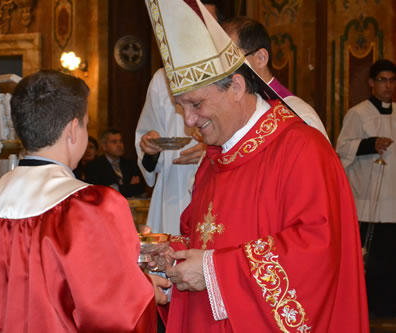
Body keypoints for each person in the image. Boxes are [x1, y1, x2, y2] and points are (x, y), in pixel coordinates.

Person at [143, 0, 369, 332]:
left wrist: (212, 271)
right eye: (180, 106)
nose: (189, 120)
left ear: (236, 87)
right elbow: (202, 235)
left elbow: (320, 252)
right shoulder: (214, 158)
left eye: (196, 104)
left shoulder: (302, 150)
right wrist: (172, 255)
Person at [0, 70, 169, 332]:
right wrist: (145, 288)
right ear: (72, 129)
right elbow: (113, 315)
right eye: (86, 123)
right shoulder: (90, 206)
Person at [336, 59, 396, 318]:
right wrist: (371, 144)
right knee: (368, 262)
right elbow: (341, 148)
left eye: (392, 80)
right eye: (382, 80)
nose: (388, 86)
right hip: (366, 201)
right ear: (371, 83)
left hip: (392, 202)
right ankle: (365, 311)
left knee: (390, 261)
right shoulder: (358, 113)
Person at [222, 16, 330, 140]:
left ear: (261, 58)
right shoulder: (231, 112)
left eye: (230, 60)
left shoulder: (298, 115)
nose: (223, 71)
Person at [135, 69, 205, 235]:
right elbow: (147, 134)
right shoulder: (163, 78)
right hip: (175, 184)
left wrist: (212, 148)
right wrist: (151, 149)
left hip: (217, 179)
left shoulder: (223, 64)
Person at [86, 129, 145, 198]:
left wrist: (117, 188)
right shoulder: (94, 167)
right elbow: (99, 193)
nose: (119, 145)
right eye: (114, 142)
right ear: (104, 147)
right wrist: (129, 187)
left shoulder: (131, 165)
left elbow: (140, 189)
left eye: (121, 141)